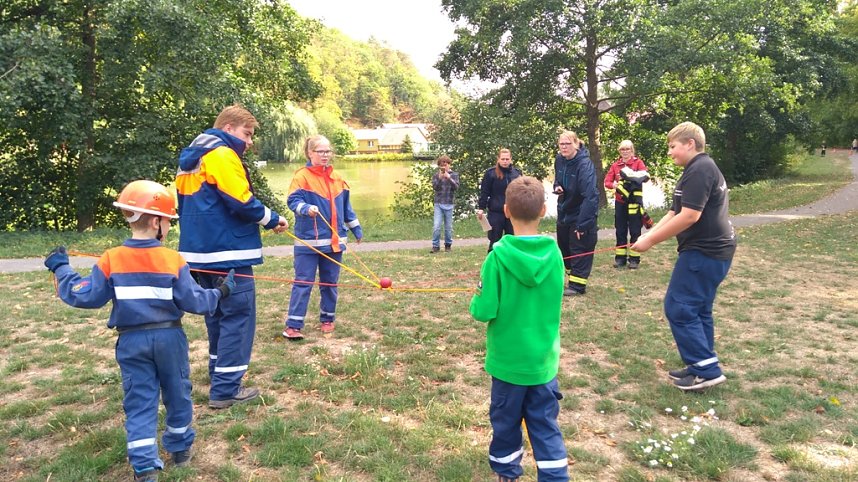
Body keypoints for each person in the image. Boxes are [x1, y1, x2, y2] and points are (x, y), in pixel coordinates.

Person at [44, 180, 236, 482]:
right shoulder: (173, 259)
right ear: (157, 221)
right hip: (170, 338)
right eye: (169, 222)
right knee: (178, 392)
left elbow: (86, 295)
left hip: (131, 341)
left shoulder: (111, 258)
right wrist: (221, 292)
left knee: (140, 400)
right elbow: (195, 301)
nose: (170, 228)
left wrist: (62, 269)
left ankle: (145, 466)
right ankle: (180, 448)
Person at [175, 104, 288, 409]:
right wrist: (272, 218)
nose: (249, 142)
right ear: (228, 129)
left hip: (198, 253)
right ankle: (226, 389)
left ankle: (218, 375)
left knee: (216, 316)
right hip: (228, 252)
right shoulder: (222, 154)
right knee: (237, 317)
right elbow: (240, 199)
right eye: (246, 134)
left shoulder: (192, 157)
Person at [470, 176, 569, 482]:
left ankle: (507, 473)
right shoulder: (555, 253)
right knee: (545, 425)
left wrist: (477, 294)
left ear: (506, 211)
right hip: (542, 363)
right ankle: (554, 477)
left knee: (505, 423)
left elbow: (484, 311)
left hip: (508, 364)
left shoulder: (496, 256)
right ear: (543, 211)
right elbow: (559, 290)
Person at [631, 122, 736, 392]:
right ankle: (700, 366)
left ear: (690, 144)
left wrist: (651, 241)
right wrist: (646, 237)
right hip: (708, 251)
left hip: (705, 251)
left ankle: (706, 369)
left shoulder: (701, 169)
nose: (670, 152)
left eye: (673, 146)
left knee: (679, 306)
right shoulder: (695, 170)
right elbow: (674, 211)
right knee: (699, 309)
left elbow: (691, 216)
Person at [282, 135, 363, 340]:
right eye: (320, 151)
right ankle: (293, 326)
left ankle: (327, 319)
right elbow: (293, 201)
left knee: (330, 283)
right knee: (303, 283)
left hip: (334, 243)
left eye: (328, 151)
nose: (325, 155)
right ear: (310, 153)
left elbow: (347, 209)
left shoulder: (338, 179)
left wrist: (356, 228)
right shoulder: (302, 177)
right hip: (308, 243)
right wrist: (306, 208)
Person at [553, 131, 599, 296]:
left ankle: (578, 286)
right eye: (561, 144)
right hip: (564, 211)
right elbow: (557, 179)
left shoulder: (584, 165)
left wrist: (583, 224)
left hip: (581, 213)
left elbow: (591, 196)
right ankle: (572, 278)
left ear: (576, 144)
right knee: (564, 247)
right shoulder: (559, 160)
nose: (564, 147)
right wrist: (556, 186)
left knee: (579, 248)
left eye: (567, 144)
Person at [604, 140, 649, 269]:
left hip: (634, 202)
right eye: (622, 149)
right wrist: (615, 185)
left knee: (635, 230)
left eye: (627, 149)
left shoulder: (638, 163)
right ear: (619, 151)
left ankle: (634, 259)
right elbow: (607, 182)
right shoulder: (615, 165)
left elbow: (645, 176)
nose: (625, 152)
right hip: (620, 202)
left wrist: (633, 176)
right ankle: (620, 259)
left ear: (632, 150)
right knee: (620, 230)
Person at [477, 148, 522, 252]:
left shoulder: (516, 173)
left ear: (511, 159)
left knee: (512, 241)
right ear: (498, 159)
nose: (505, 161)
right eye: (503, 159)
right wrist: (481, 208)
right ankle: (492, 264)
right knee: (495, 241)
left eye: (507, 159)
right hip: (496, 212)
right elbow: (484, 192)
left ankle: (511, 264)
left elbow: (521, 192)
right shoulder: (490, 173)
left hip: (512, 212)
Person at [430, 154, 460, 253]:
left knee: (448, 227)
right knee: (436, 226)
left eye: (446, 164)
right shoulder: (436, 175)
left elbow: (456, 187)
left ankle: (448, 245)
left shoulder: (454, 175)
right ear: (439, 166)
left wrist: (449, 178)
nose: (445, 166)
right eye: (442, 165)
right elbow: (435, 187)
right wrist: (440, 178)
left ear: (449, 165)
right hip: (438, 203)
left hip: (449, 203)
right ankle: (435, 246)